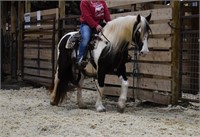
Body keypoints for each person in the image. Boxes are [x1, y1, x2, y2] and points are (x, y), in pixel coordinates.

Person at [77, 0, 111, 67]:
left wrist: (110, 23)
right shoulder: (84, 2)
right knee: (86, 38)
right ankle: (80, 58)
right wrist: (95, 25)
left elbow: (106, 13)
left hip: (100, 24)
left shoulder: (102, 1)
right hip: (86, 24)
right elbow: (87, 16)